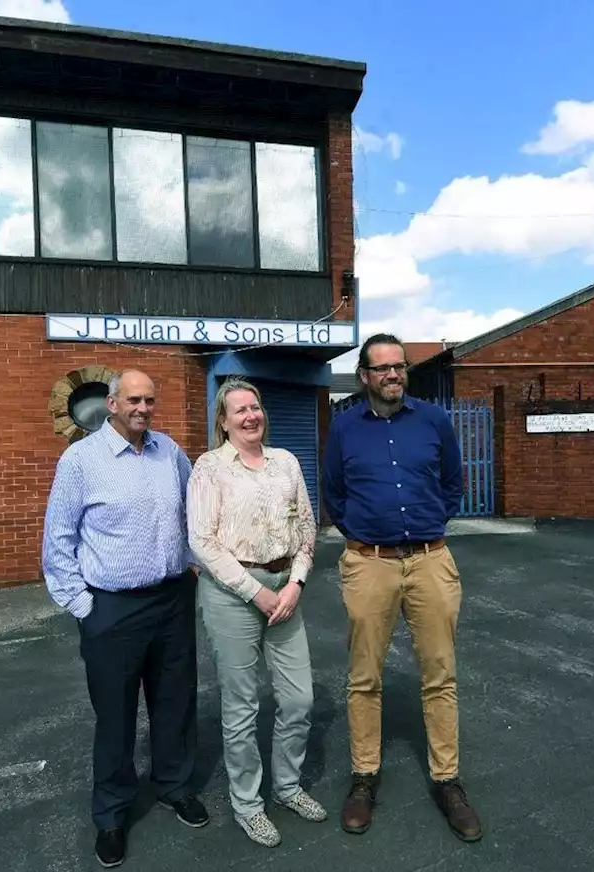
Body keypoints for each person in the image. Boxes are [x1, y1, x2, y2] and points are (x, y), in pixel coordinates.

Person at [42, 368, 208, 869]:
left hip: (171, 600)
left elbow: (191, 510)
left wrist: (194, 561)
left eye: (149, 400)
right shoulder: (80, 460)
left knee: (175, 702)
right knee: (115, 716)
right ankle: (112, 814)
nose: (143, 408)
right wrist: (83, 606)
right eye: (133, 400)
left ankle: (174, 785)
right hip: (111, 608)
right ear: (111, 404)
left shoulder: (169, 452)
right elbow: (58, 540)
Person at [321, 334, 484, 843]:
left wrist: (435, 521)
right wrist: (362, 537)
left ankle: (447, 781)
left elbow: (453, 482)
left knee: (440, 675)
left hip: (432, 562)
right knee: (363, 677)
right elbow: (334, 493)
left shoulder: (434, 421)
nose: (393, 375)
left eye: (399, 367)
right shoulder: (344, 427)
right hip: (370, 563)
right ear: (365, 376)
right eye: (382, 368)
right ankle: (364, 777)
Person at [186, 377, 327, 848]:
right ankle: (248, 804)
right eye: (239, 410)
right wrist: (256, 593)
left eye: (255, 407)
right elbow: (201, 542)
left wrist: (296, 581)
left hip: (284, 587)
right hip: (232, 593)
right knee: (242, 705)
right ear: (223, 422)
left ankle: (286, 787)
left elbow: (307, 526)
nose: (251, 416)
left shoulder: (285, 462)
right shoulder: (209, 468)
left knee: (298, 699)